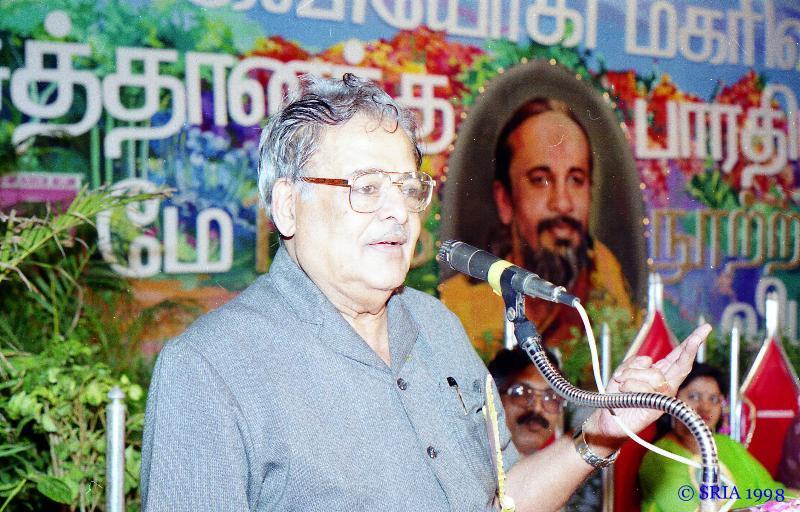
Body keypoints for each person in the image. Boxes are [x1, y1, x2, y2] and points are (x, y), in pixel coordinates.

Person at [140, 73, 710, 512]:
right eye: (366, 187)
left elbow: (504, 498)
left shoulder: (437, 325)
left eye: (408, 187)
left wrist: (600, 435)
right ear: (289, 205)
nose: (397, 211)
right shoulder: (211, 367)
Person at [440, 98, 635, 353]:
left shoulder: (607, 280)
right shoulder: (459, 308)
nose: (562, 203)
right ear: (505, 200)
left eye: (576, 179)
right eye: (541, 180)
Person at [639, 363, 789, 512]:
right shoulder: (660, 456)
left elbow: (774, 492)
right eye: (694, 396)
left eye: (713, 399)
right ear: (671, 401)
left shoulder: (728, 445)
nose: (705, 407)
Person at [489, 348, 601, 512]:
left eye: (551, 397)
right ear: (494, 398)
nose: (537, 408)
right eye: (521, 393)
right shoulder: (479, 476)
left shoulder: (566, 477)